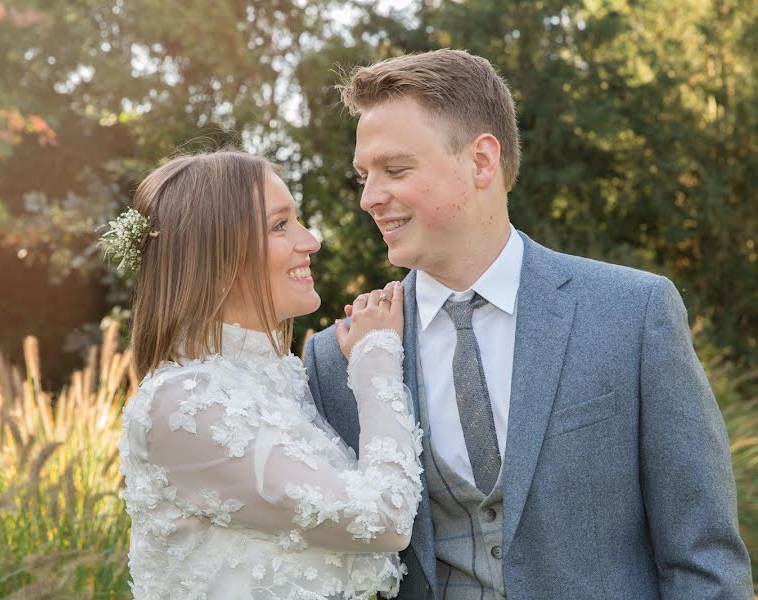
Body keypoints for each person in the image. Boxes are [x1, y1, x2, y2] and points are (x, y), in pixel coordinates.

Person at [303, 49, 752, 599]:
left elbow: (703, 557)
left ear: (482, 161)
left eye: (395, 170)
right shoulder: (337, 357)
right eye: (364, 176)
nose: (370, 197)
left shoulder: (633, 313)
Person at [107, 151, 425, 599]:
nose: (311, 241)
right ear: (214, 260)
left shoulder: (279, 377)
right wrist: (376, 361)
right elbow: (384, 520)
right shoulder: (184, 404)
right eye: (281, 225)